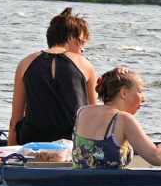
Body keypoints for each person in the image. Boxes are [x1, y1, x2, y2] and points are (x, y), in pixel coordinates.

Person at [10, 8, 97, 145]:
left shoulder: (25, 63)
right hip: (71, 141)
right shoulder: (85, 65)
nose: (82, 49)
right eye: (81, 42)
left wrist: (11, 152)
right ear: (70, 38)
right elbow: (93, 116)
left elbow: (15, 120)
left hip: (32, 139)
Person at [72, 67, 161, 168]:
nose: (143, 98)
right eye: (140, 91)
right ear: (124, 93)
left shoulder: (82, 112)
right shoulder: (123, 119)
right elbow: (157, 157)